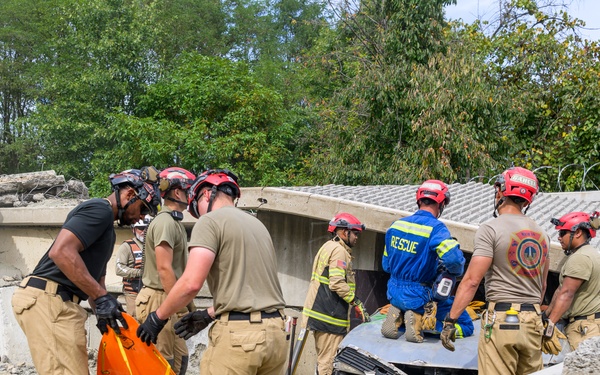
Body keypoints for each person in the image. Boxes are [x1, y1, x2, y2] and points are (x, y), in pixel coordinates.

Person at [136, 168, 288, 375]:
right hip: (277, 336)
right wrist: (208, 314)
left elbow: (191, 283)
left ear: (207, 194)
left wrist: (157, 318)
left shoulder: (210, 221)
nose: (198, 214)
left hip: (240, 339)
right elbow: (251, 289)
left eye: (196, 204)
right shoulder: (258, 226)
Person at [11, 167, 160, 375]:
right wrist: (102, 297)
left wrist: (105, 311)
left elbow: (96, 281)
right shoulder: (100, 209)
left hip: (58, 301)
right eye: (143, 208)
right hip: (50, 300)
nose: (141, 217)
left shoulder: (107, 228)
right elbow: (61, 252)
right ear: (129, 194)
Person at [440, 167, 550, 375]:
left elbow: (472, 280)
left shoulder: (490, 229)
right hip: (533, 321)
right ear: (528, 200)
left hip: (502, 320)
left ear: (500, 191)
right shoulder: (543, 234)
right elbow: (542, 285)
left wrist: (451, 320)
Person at [381, 180, 465, 343]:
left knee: (403, 300)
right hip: (420, 296)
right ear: (441, 203)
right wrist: (455, 272)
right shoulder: (436, 229)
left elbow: (386, 265)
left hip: (393, 292)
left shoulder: (395, 226)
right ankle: (419, 321)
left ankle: (401, 316)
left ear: (418, 200)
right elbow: (454, 260)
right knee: (465, 323)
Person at [135, 166, 195, 375]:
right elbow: (164, 268)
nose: (191, 195)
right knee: (162, 362)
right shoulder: (165, 222)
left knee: (179, 361)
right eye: (188, 190)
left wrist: (188, 306)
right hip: (159, 298)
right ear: (177, 193)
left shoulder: (174, 222)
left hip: (169, 296)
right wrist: (179, 307)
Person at [301, 212, 371, 375]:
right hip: (329, 317)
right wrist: (356, 301)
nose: (357, 238)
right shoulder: (339, 251)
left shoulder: (327, 246)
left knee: (323, 360)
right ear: (344, 232)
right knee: (328, 363)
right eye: (355, 233)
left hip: (320, 314)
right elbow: (337, 282)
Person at [544, 211, 600, 351]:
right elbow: (560, 290)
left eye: (563, 233)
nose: (559, 237)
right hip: (588, 325)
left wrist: (550, 326)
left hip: (583, 329)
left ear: (578, 233)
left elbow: (567, 293)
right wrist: (545, 315)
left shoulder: (580, 258)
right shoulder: (590, 254)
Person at [115, 215, 151, 317]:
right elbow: (119, 268)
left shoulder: (154, 245)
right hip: (133, 292)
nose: (144, 231)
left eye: (146, 228)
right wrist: (139, 272)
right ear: (134, 229)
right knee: (135, 320)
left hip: (151, 291)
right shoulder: (127, 246)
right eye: (140, 228)